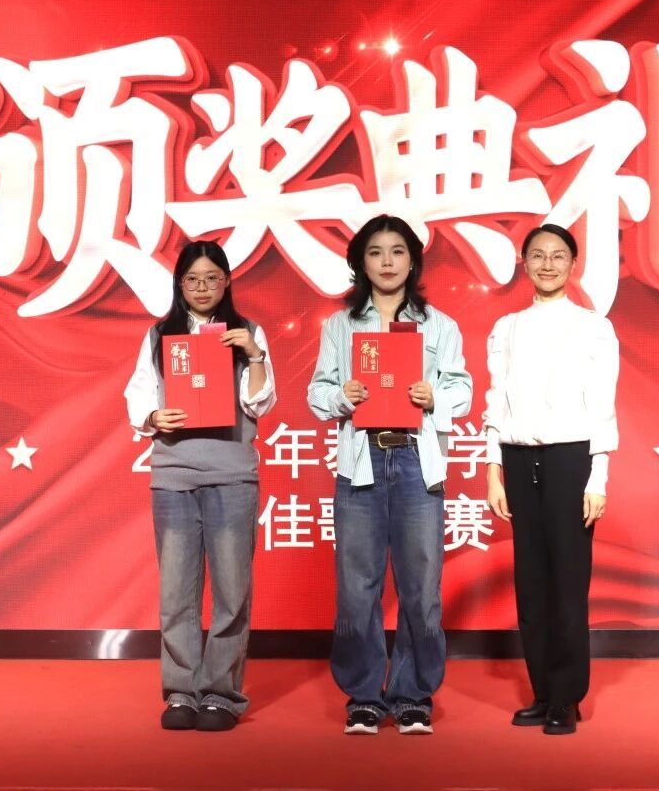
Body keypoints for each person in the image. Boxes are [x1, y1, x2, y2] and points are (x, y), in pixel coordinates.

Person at [308, 214, 473, 735]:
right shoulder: (340, 326)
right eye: (375, 252)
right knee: (358, 586)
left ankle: (412, 694)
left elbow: (463, 390)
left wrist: (434, 396)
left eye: (397, 251)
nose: (386, 262)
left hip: (415, 462)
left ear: (413, 261)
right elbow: (317, 393)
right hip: (360, 463)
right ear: (361, 262)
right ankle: (362, 694)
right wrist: (343, 396)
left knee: (421, 586)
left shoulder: (439, 325)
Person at [124, 239, 276, 732]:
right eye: (192, 279)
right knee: (176, 592)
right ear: (180, 284)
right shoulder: (159, 335)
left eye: (212, 278)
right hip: (174, 474)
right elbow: (138, 394)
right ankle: (181, 692)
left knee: (232, 590)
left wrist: (253, 355)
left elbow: (259, 404)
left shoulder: (247, 333)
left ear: (227, 281)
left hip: (232, 473)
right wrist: (154, 416)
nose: (203, 287)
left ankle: (220, 694)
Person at [483, 223, 620, 736]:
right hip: (518, 461)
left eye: (558, 256)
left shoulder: (593, 327)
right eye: (538, 255)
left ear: (572, 264)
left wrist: (597, 477)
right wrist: (493, 470)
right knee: (531, 585)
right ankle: (542, 692)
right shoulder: (508, 327)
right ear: (524, 262)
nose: (547, 264)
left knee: (567, 584)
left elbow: (602, 403)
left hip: (570, 461)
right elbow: (496, 399)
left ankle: (567, 697)